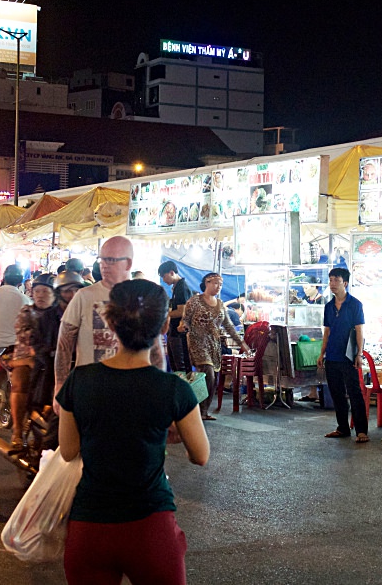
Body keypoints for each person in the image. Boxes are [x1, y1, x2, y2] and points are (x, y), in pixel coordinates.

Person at [58, 279, 209, 584]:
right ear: (165, 324)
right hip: (151, 527)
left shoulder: (80, 380)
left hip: (90, 526)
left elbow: (68, 450)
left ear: (110, 323)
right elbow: (201, 455)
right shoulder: (173, 389)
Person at [55, 236, 164, 405]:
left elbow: (155, 347)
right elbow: (64, 343)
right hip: (90, 391)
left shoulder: (141, 296)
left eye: (110, 260)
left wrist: (158, 386)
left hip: (132, 390)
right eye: (101, 259)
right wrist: (60, 385)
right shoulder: (84, 296)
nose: (103, 265)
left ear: (128, 263)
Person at [180, 272, 248, 420]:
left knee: (214, 378)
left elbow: (229, 326)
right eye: (215, 283)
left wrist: (242, 344)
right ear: (207, 282)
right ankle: (196, 410)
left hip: (214, 344)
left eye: (221, 284)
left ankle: (203, 411)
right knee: (208, 373)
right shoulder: (194, 301)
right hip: (197, 342)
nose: (218, 287)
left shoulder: (220, 305)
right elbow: (185, 320)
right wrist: (183, 326)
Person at [316, 267, 368, 443]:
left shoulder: (355, 304)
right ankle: (342, 428)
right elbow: (327, 331)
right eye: (330, 280)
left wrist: (359, 354)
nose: (332, 284)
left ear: (345, 283)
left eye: (336, 280)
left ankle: (361, 431)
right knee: (337, 393)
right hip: (332, 355)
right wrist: (322, 353)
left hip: (348, 357)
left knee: (354, 393)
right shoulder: (329, 306)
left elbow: (360, 331)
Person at [8, 272, 58, 449]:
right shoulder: (27, 312)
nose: (40, 295)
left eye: (45, 291)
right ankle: (17, 429)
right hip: (26, 358)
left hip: (52, 360)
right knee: (20, 382)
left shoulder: (61, 314)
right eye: (37, 291)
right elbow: (27, 339)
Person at [159, 260, 194, 372]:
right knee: (175, 365)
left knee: (181, 366)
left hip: (180, 334)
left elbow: (181, 311)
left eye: (164, 276)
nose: (164, 280)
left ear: (171, 272)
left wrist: (164, 315)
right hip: (173, 332)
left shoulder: (181, 287)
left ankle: (183, 387)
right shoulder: (176, 287)